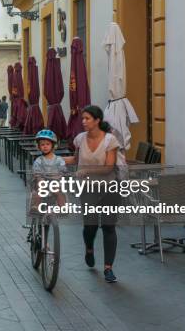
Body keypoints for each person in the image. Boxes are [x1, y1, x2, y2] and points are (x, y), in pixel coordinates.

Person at [72, 105, 120, 283]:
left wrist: (87, 170)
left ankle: (108, 268)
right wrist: (53, 158)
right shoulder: (79, 139)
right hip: (87, 189)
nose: (83, 121)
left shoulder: (110, 140)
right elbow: (75, 160)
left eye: (87, 118)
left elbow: (109, 167)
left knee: (109, 227)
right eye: (82, 118)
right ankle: (89, 248)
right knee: (90, 226)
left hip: (109, 188)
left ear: (97, 120)